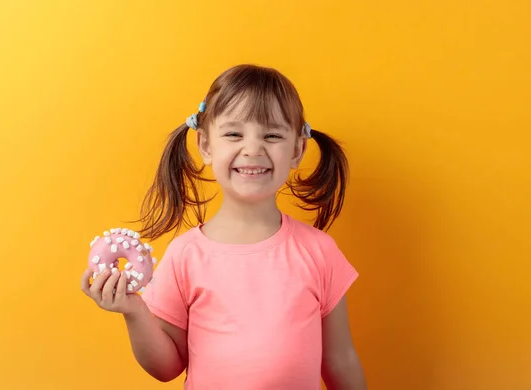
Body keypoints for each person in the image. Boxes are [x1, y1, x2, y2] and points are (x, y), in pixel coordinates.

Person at [81, 64, 368, 389]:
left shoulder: (319, 251)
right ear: (205, 145)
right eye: (234, 134)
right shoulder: (185, 254)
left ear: (297, 150)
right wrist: (133, 312)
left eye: (272, 135)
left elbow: (340, 358)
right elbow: (166, 367)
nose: (253, 149)